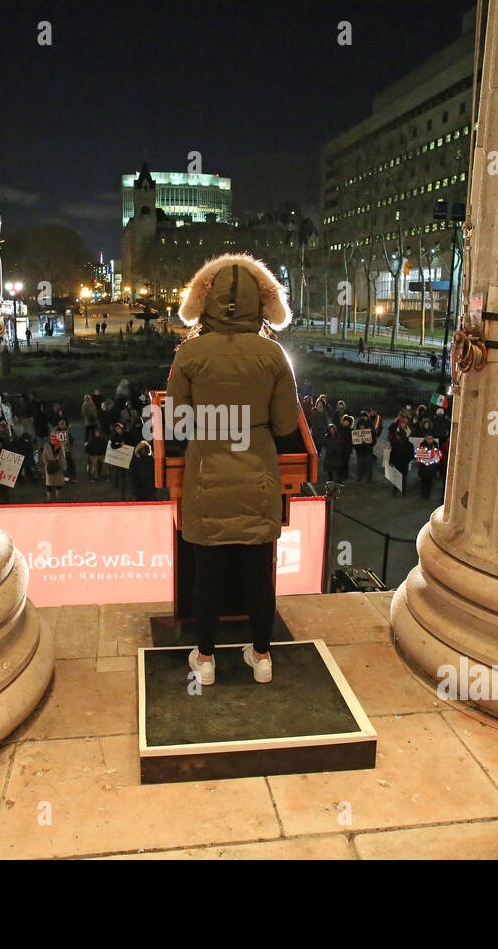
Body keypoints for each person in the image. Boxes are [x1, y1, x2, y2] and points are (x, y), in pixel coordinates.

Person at [167, 253, 298, 686]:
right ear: (261, 306)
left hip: (206, 476)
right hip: (257, 475)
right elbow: (284, 424)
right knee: (259, 572)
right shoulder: (273, 355)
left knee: (207, 574)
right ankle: (261, 657)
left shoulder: (189, 354)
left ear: (204, 301)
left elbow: (177, 423)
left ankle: (205, 662)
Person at [42, 435, 66, 500]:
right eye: (52, 439)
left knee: (58, 483)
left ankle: (58, 497)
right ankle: (49, 497)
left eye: (54, 439)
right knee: (49, 483)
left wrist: (63, 466)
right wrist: (47, 464)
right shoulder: (47, 446)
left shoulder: (59, 446)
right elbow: (44, 456)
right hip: (50, 466)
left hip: (58, 466)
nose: (53, 441)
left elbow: (62, 457)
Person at [353, 413, 375, 482]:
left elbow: (374, 440)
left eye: (363, 426)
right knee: (360, 466)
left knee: (368, 466)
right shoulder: (356, 433)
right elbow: (354, 442)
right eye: (360, 426)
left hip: (368, 451)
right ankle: (360, 478)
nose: (361, 427)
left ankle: (368, 479)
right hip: (360, 452)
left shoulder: (370, 432)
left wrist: (369, 444)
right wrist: (357, 448)